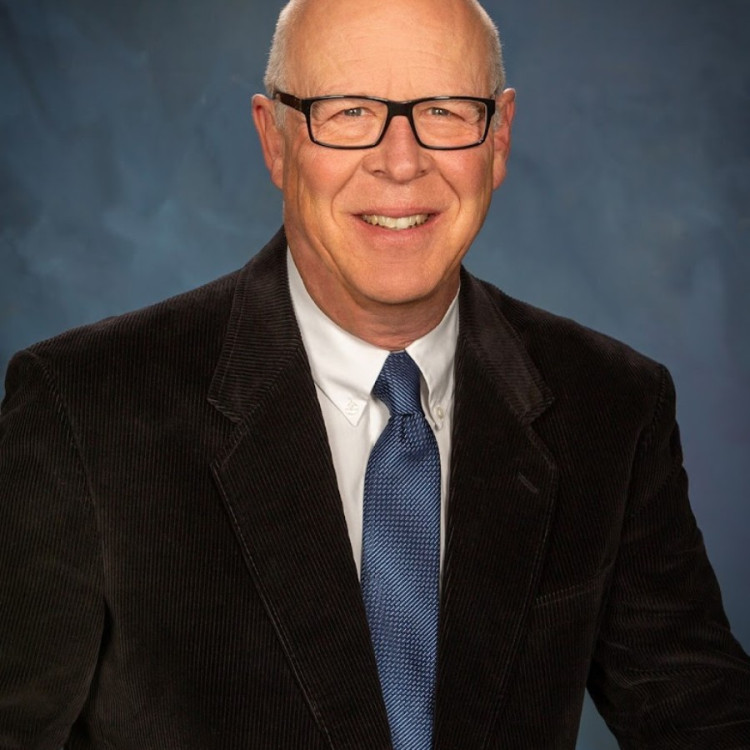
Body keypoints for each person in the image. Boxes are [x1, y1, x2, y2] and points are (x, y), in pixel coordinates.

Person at [1, 0, 749, 747]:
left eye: (445, 111)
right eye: (349, 111)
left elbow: (702, 717)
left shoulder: (612, 407)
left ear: (498, 139)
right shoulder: (82, 410)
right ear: (275, 140)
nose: (401, 161)